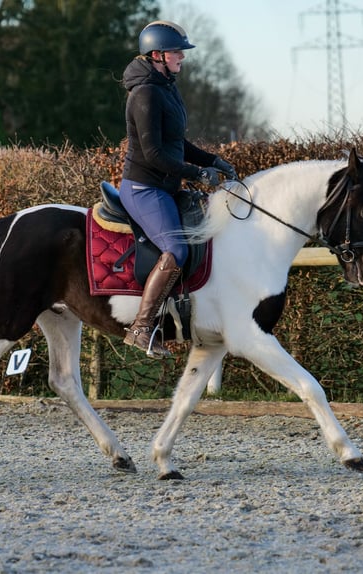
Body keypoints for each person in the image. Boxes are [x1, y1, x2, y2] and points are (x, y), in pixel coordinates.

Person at [119, 20, 237, 359]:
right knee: (177, 250)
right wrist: (197, 173)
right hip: (144, 188)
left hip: (165, 186)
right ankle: (141, 327)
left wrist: (214, 160)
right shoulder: (145, 94)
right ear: (157, 55)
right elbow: (154, 154)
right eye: (177, 53)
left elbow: (177, 143)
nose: (182, 58)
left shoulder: (166, 85)